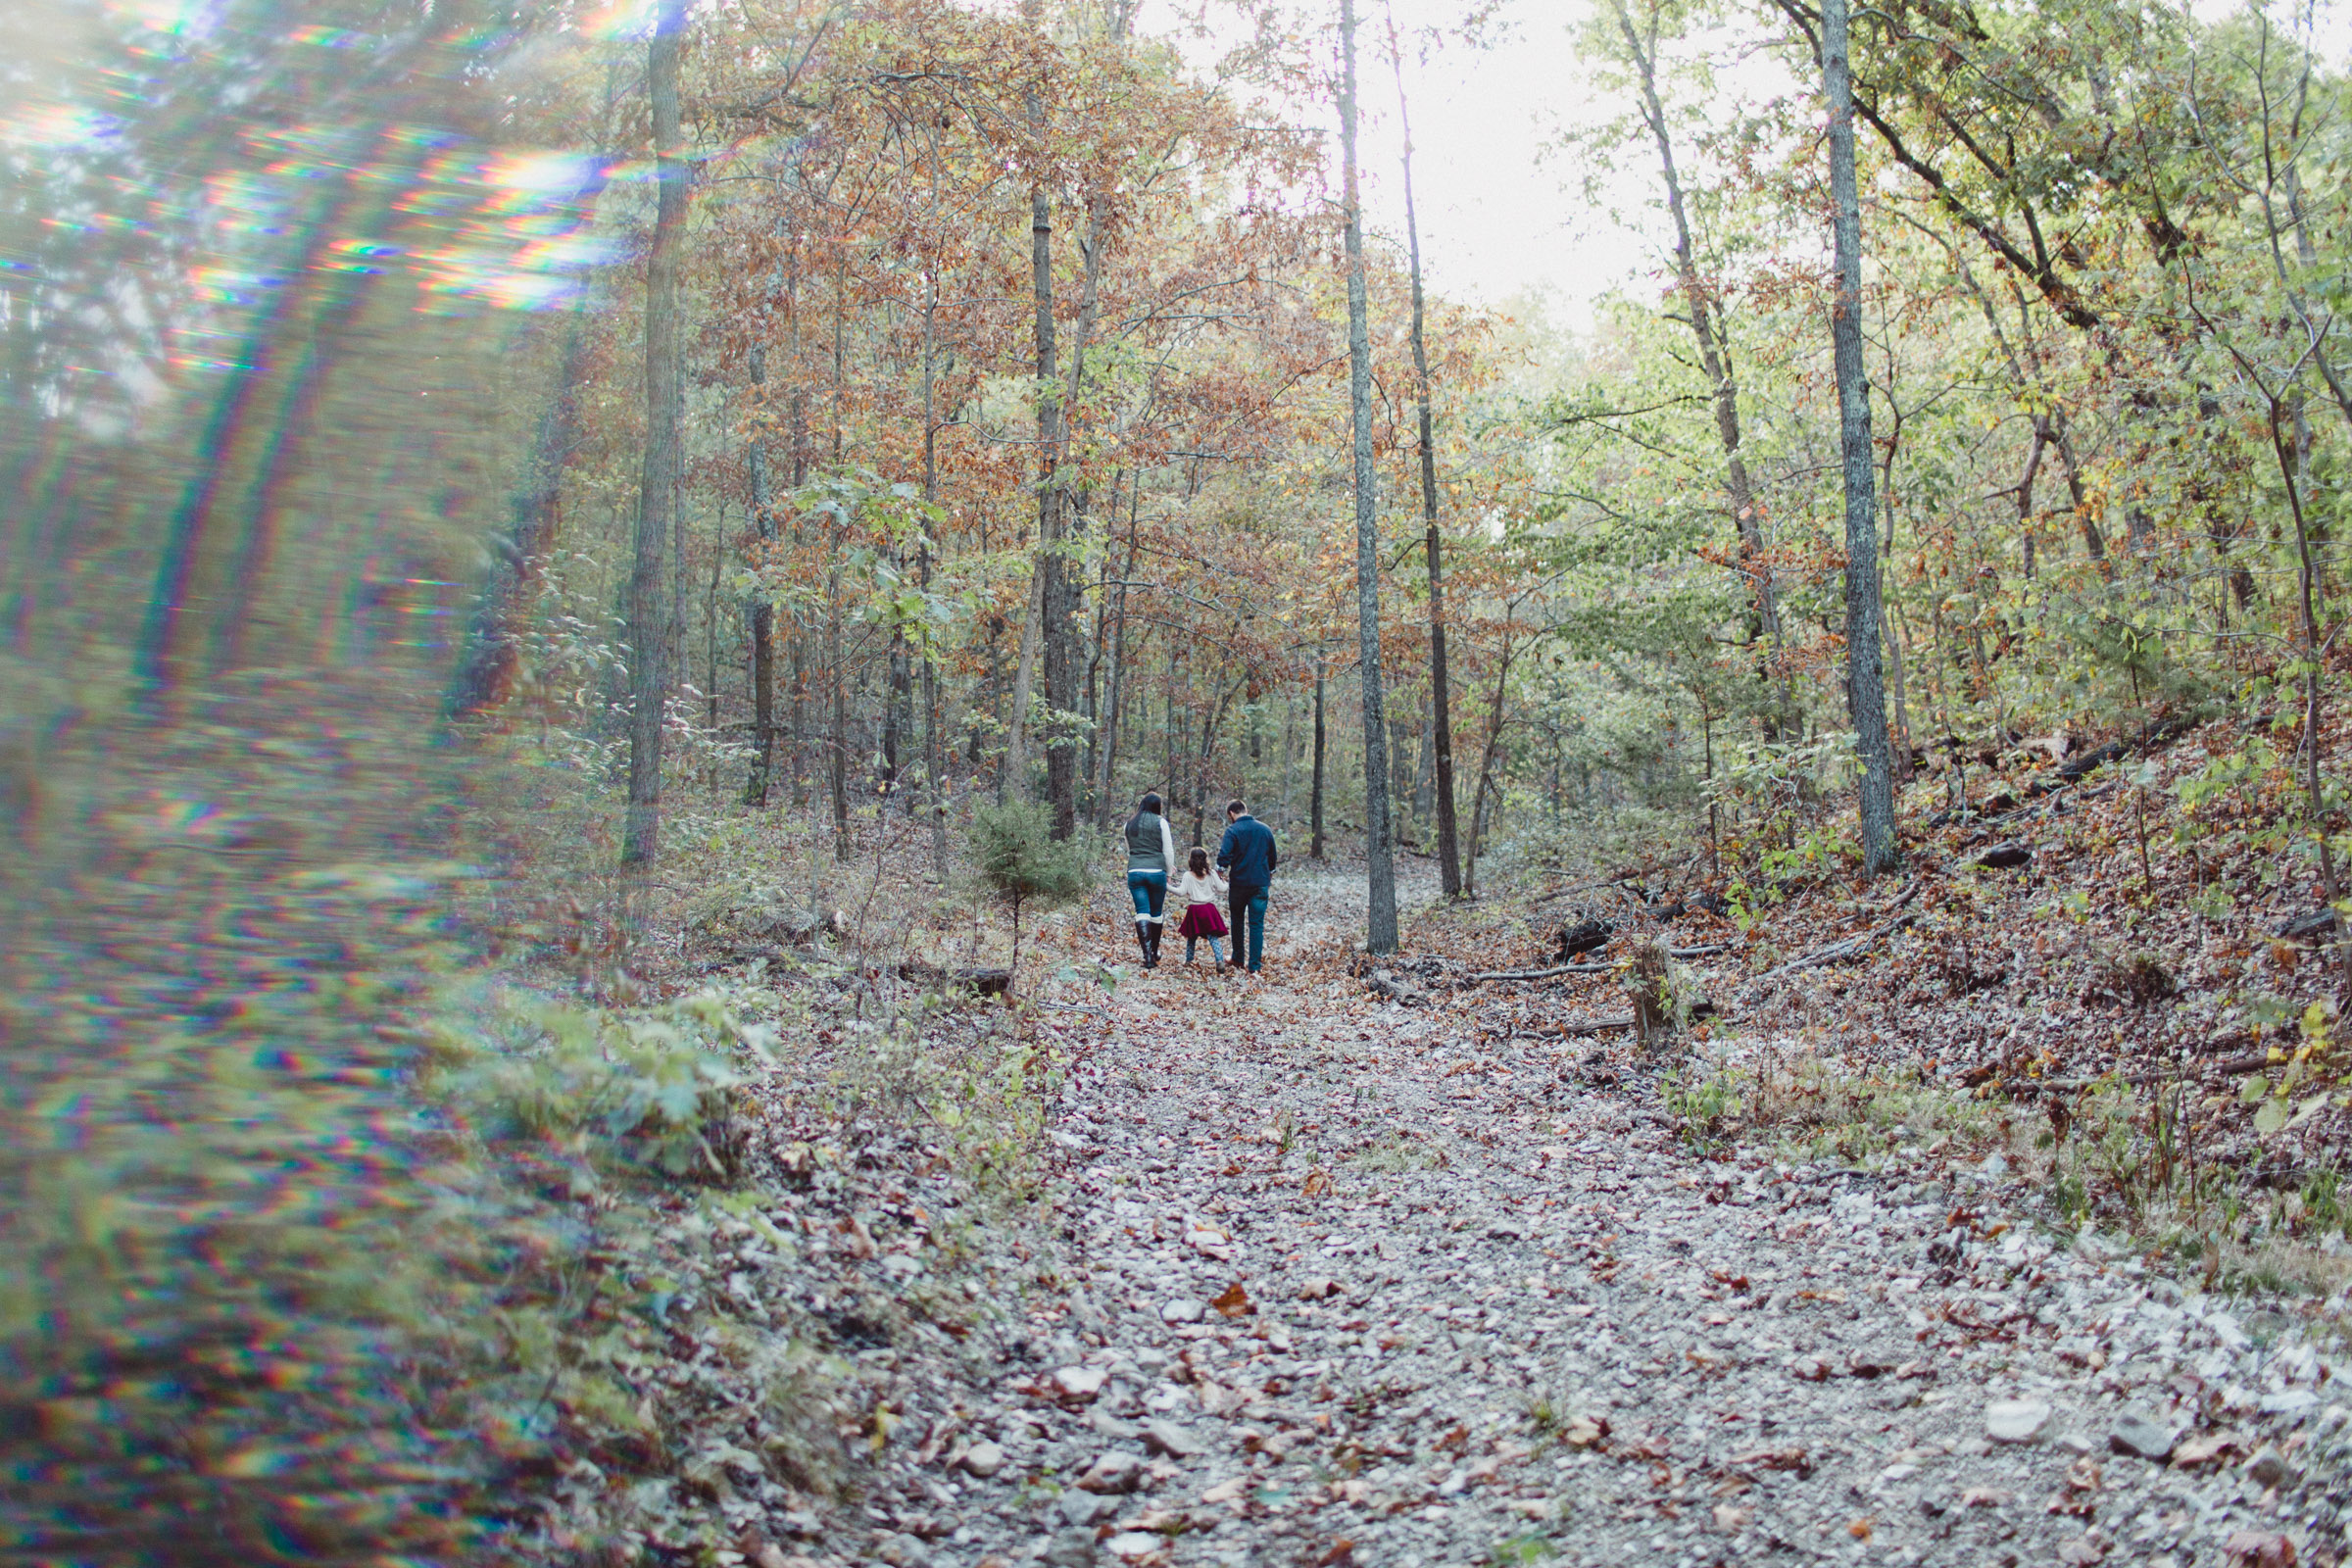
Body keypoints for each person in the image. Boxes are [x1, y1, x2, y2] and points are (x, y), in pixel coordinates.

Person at [1214, 798, 1278, 974]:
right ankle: (1254, 966)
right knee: (1257, 923)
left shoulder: (1232, 831)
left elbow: (1224, 858)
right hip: (1260, 883)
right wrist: (1269, 875)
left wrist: (1218, 873)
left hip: (1239, 883)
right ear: (1245, 809)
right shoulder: (1265, 830)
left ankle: (1238, 958)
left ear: (1232, 813)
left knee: (1237, 920)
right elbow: (1272, 857)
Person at [1122, 791, 1178, 968]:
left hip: (1135, 871)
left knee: (1142, 912)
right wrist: (1169, 872)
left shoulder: (1129, 824)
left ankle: (1147, 957)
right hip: (1156, 872)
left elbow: (1129, 848)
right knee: (1156, 913)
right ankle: (1154, 951)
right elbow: (1168, 851)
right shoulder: (1161, 822)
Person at [1171, 848, 1230, 968]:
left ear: (1190, 860)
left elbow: (1181, 892)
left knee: (1192, 936)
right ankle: (1219, 960)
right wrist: (1226, 883)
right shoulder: (1212, 873)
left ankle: (1189, 960)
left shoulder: (1188, 875)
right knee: (1212, 937)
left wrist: (1166, 886)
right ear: (1205, 860)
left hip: (1195, 909)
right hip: (1209, 909)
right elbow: (1222, 889)